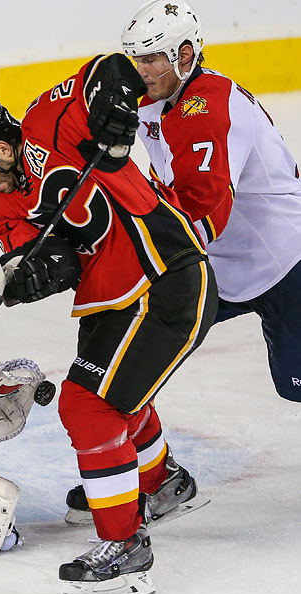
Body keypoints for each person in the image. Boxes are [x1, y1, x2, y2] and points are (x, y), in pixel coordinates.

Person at [0, 52, 217, 594]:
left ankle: (125, 546)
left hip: (164, 272)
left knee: (88, 405)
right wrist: (25, 277)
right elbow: (53, 264)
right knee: (115, 398)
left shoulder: (49, 122)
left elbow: (109, 69)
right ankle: (161, 485)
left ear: (1, 147)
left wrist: (116, 109)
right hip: (111, 298)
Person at [122, 0, 301, 402]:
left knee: (297, 388)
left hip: (284, 262)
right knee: (139, 338)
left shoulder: (208, 106)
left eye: (151, 58)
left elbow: (203, 210)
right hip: (222, 263)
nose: (142, 70)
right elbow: (169, 185)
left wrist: (135, 255)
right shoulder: (155, 103)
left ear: (184, 54)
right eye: (137, 59)